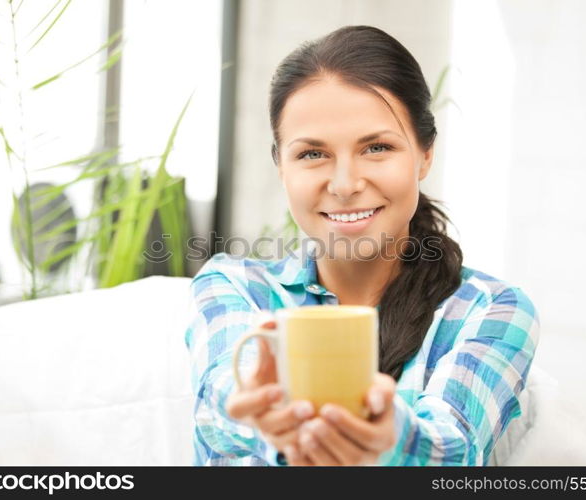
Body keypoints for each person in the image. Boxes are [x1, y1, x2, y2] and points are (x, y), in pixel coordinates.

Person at [184, 25, 539, 466]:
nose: (346, 184)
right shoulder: (235, 287)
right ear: (281, 166)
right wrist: (265, 416)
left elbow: (453, 447)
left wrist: (389, 438)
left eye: (376, 147)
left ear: (425, 154)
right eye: (312, 154)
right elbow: (225, 399)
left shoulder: (491, 310)